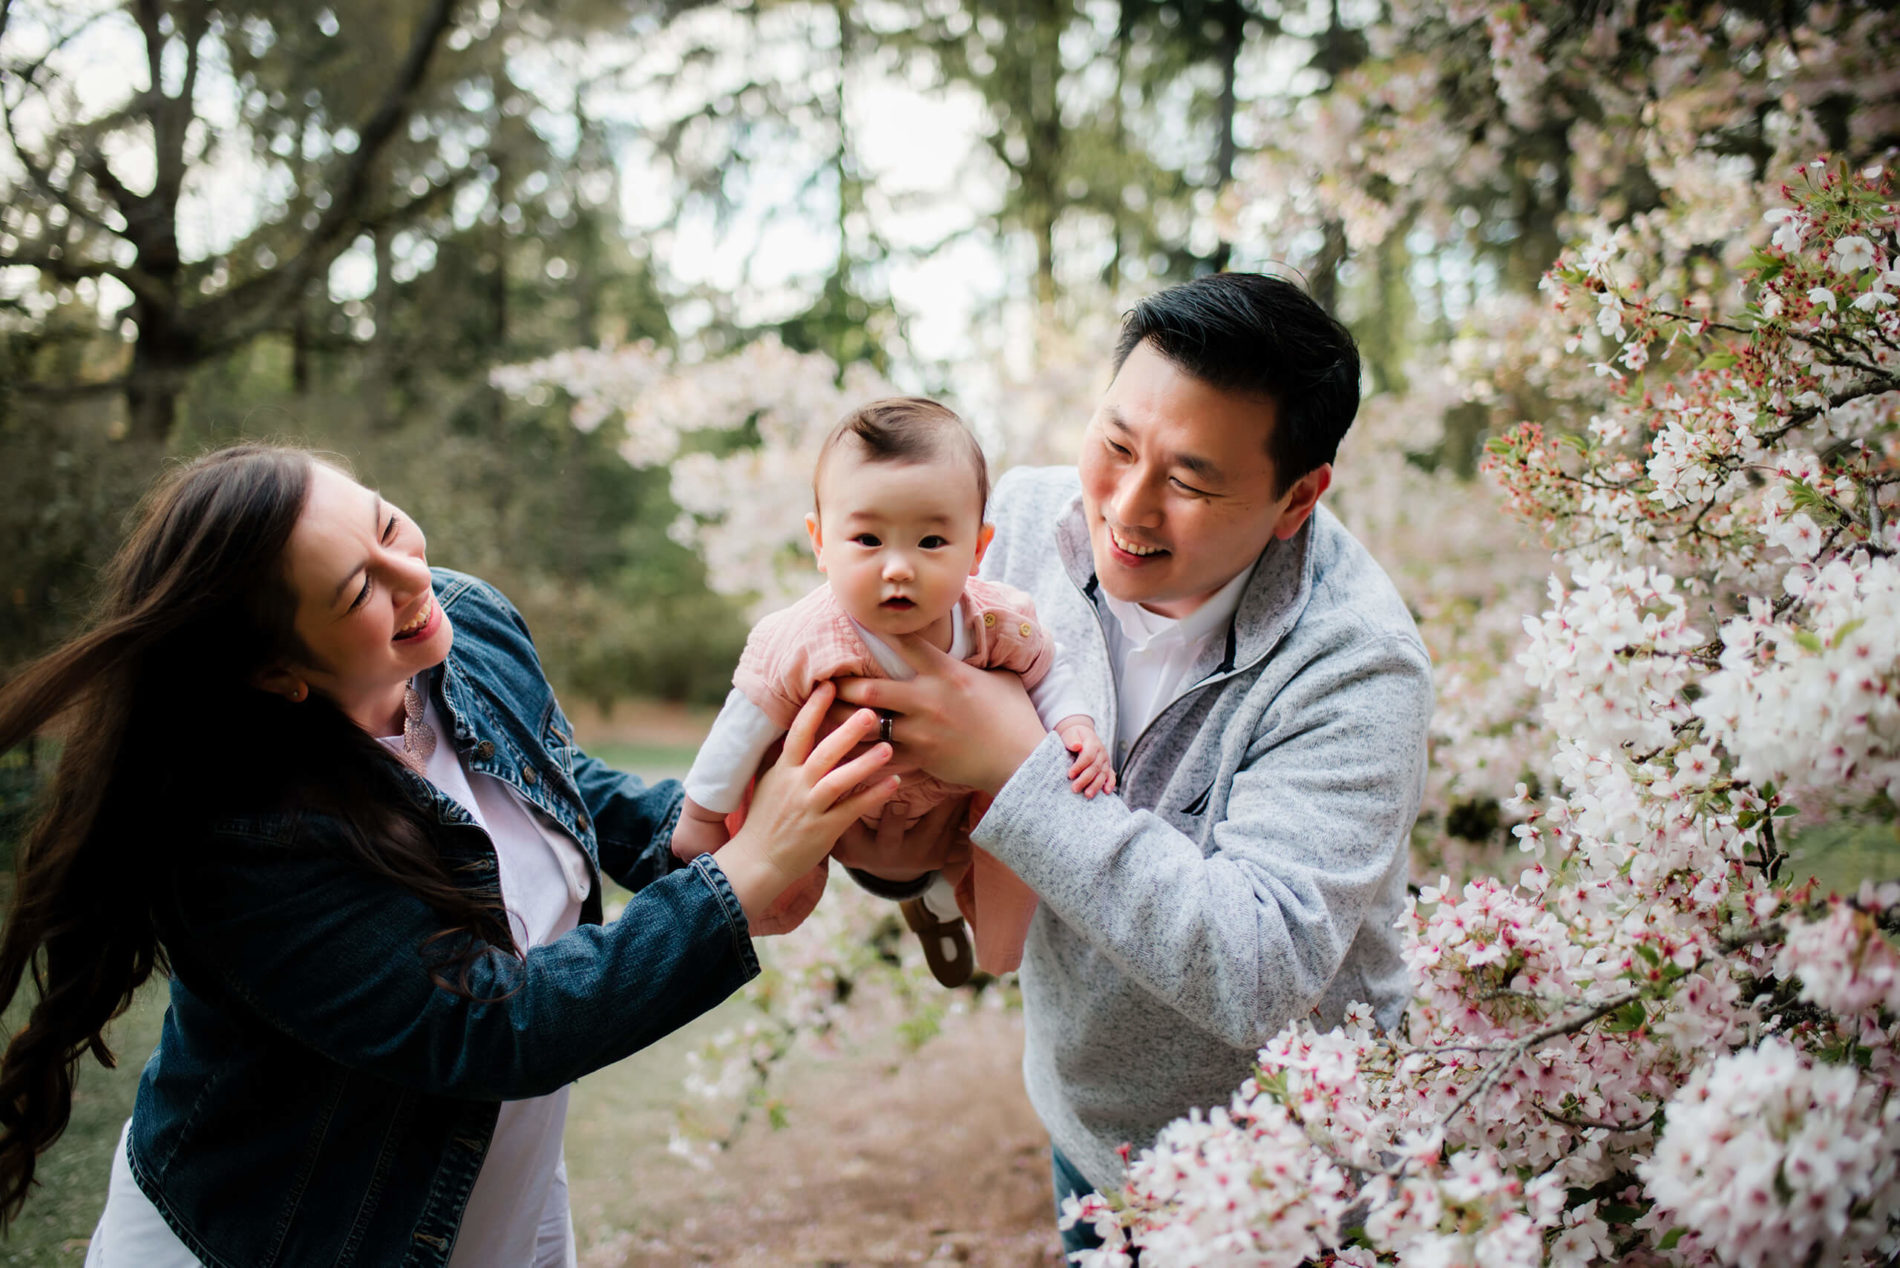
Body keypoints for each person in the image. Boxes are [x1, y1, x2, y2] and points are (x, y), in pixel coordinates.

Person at [0, 444, 898, 1266]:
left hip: (500, 1202)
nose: (412, 575)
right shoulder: (241, 837)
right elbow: (492, 1024)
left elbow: (554, 778)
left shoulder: (466, 625)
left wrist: (708, 832)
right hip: (290, 1237)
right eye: (358, 590)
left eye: (389, 523)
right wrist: (730, 889)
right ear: (277, 672)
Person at [827, 273, 1434, 1256]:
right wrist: (886, 840)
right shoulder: (1015, 524)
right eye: (1113, 444)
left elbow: (1260, 966)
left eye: (1189, 481)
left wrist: (1019, 767)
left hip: (1296, 1190)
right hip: (1089, 1142)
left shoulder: (1356, 662)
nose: (1127, 506)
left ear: (1297, 498)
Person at [670, 398, 1111, 987]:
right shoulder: (805, 636)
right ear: (820, 542)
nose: (898, 567)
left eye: (931, 542)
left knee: (1002, 847)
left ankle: (975, 930)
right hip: (842, 805)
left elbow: (1045, 666)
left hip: (955, 807)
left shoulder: (995, 620)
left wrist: (1074, 723)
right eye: (869, 539)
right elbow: (745, 719)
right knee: (785, 836)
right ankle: (886, 902)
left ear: (978, 550)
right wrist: (703, 813)